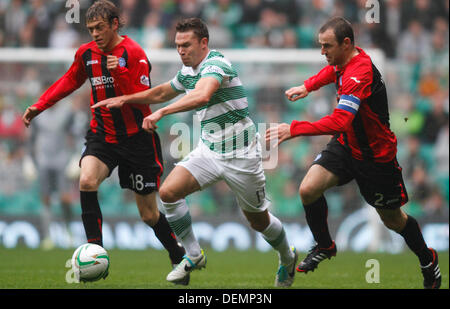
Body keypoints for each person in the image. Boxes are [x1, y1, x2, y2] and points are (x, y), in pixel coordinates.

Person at [91, 17, 298, 287]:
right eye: (177, 45)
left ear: (203, 43)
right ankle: (193, 254)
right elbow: (163, 91)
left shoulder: (217, 64)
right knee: (167, 192)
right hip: (209, 151)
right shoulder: (187, 70)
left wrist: (163, 113)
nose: (181, 50)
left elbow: (202, 95)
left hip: (242, 155)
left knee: (258, 221)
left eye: (186, 45)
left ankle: (286, 257)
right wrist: (126, 98)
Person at [265, 17, 441, 289]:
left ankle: (427, 259)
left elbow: (340, 121)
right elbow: (332, 71)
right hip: (347, 145)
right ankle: (325, 245)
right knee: (307, 189)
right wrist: (308, 85)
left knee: (393, 219)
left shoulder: (359, 72)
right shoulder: (343, 60)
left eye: (327, 46)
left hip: (376, 158)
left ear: (346, 43)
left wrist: (294, 128)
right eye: (320, 46)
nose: (322, 52)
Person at [22, 0, 187, 283]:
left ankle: (177, 253)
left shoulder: (134, 53)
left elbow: (144, 96)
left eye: (100, 27)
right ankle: (95, 252)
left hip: (138, 139)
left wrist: (120, 72)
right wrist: (40, 105)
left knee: (148, 215)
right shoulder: (86, 54)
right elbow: (69, 81)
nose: (95, 33)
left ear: (114, 24)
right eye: (90, 29)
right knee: (86, 181)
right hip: (102, 135)